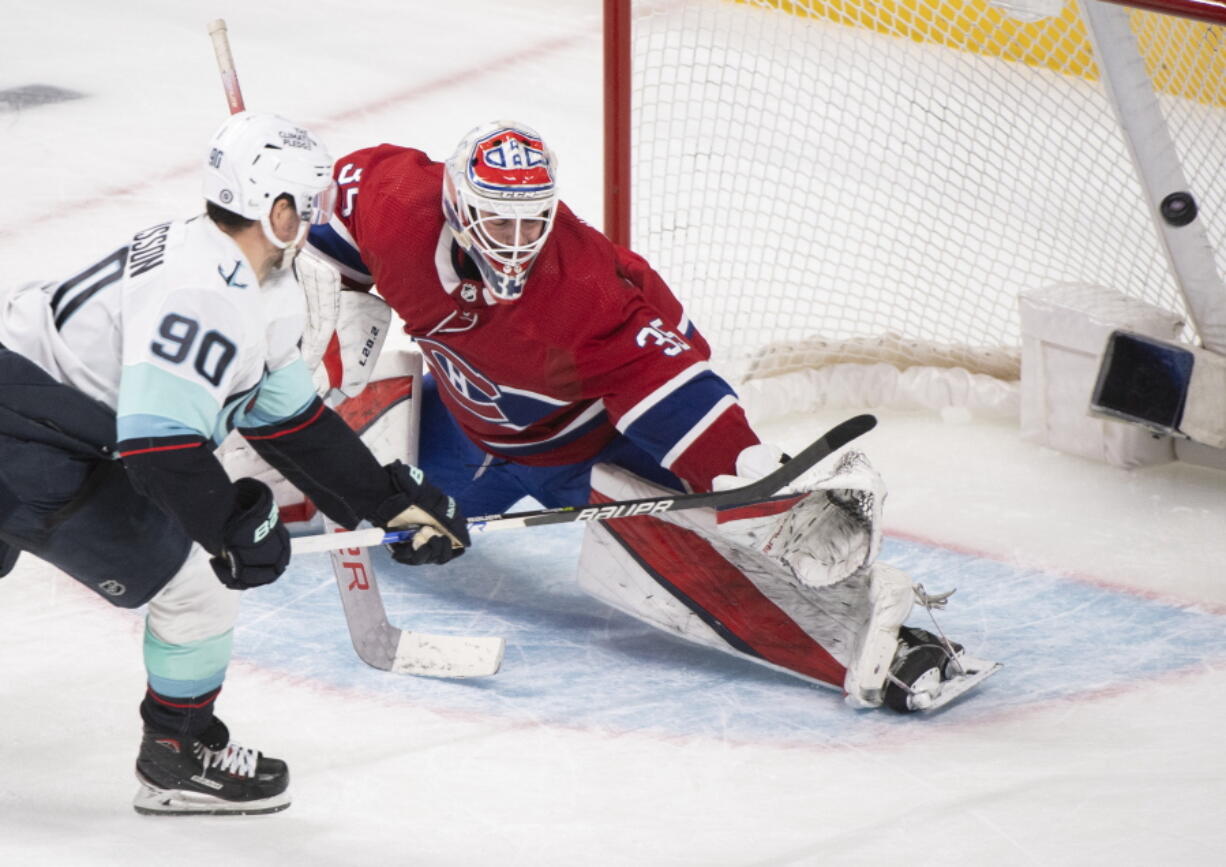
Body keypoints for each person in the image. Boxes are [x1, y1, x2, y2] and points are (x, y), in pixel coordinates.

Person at [303, 120, 997, 713]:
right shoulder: (396, 203)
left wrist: (745, 466)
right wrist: (338, 314)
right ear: (457, 206)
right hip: (466, 426)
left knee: (708, 547)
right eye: (499, 220)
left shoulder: (583, 290)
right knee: (386, 529)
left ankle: (890, 643)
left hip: (584, 451)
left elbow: (672, 387)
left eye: (531, 220)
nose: (517, 241)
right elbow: (330, 235)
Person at [0, 111, 470, 815]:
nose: (312, 220)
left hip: (35, 408)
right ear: (273, 208)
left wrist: (384, 502)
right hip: (30, 438)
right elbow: (157, 446)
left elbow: (289, 418)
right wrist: (229, 528)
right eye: (303, 206)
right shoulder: (207, 290)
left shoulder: (248, 278)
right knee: (196, 586)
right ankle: (177, 752)